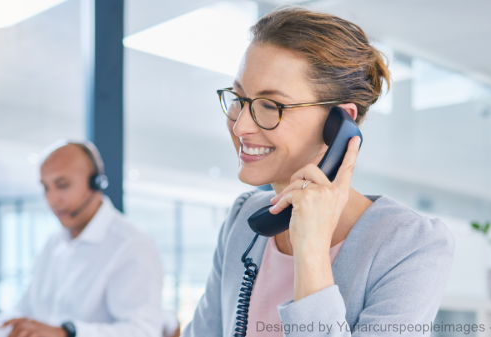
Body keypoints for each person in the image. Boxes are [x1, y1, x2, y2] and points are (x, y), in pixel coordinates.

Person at [182, 7, 454, 337]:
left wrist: (311, 252)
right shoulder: (244, 219)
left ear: (338, 123)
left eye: (270, 106)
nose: (240, 125)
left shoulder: (410, 245)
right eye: (239, 98)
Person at [0, 141, 164, 337]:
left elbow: (143, 331)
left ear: (96, 182)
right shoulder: (54, 243)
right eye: (45, 187)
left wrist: (67, 333)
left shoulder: (131, 244)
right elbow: (26, 311)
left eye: (62, 185)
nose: (52, 199)